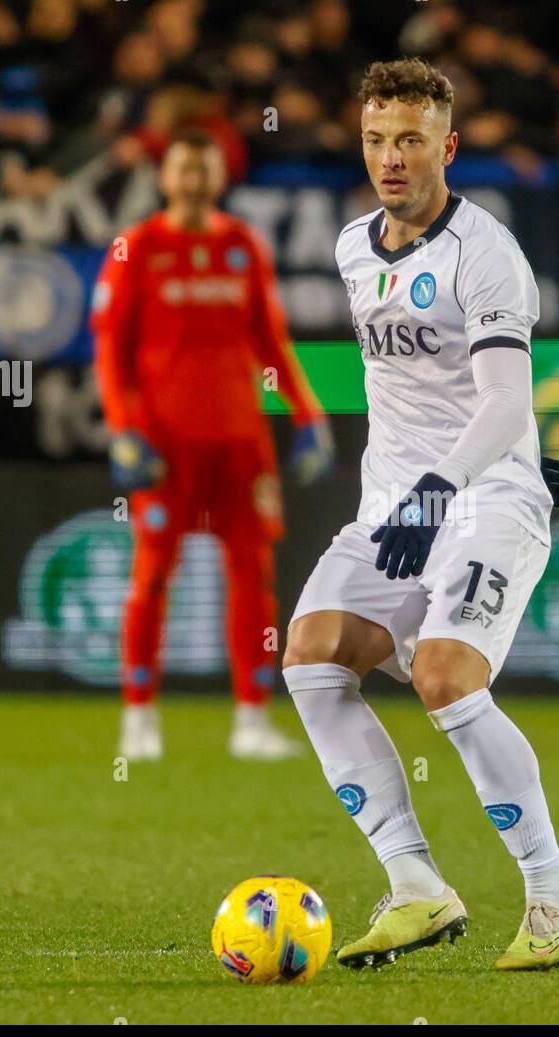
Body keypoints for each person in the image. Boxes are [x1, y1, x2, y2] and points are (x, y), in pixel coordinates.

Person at [281, 58, 559, 971]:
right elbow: (418, 383)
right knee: (310, 659)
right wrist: (423, 484)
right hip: (394, 503)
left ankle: (553, 899)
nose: (390, 157)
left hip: (479, 498)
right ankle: (415, 884)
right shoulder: (349, 248)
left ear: (446, 147)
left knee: (447, 676)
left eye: (410, 140)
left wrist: (481, 472)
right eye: (376, 139)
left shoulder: (485, 253)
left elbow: (499, 399)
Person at [91, 129, 334, 762]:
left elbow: (271, 342)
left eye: (205, 169)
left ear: (219, 176)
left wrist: (308, 415)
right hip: (165, 446)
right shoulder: (135, 249)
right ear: (165, 177)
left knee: (254, 578)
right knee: (151, 577)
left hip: (240, 445)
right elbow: (110, 352)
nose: (195, 180)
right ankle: (139, 718)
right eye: (183, 169)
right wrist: (122, 430)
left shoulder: (241, 246)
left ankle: (251, 720)